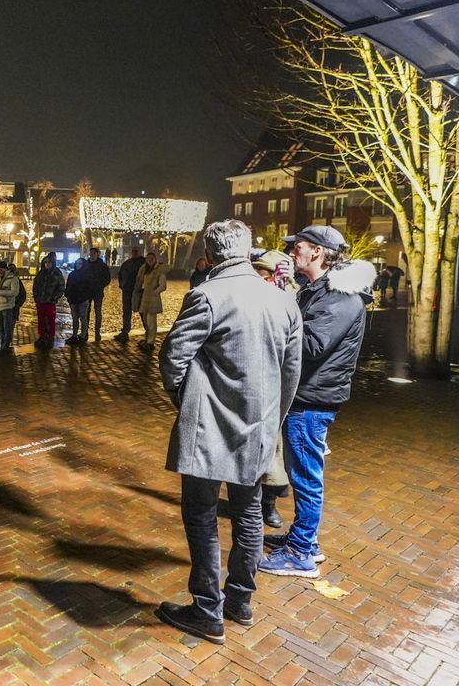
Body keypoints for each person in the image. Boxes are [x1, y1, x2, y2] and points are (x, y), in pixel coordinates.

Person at [155, 219, 303, 645]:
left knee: (200, 516)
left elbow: (173, 359)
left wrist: (187, 403)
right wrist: (272, 417)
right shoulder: (283, 301)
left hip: (208, 428)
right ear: (248, 249)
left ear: (212, 253)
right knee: (249, 513)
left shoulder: (207, 295)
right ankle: (239, 600)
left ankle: (206, 609)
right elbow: (290, 373)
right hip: (259, 427)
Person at [259, 225, 374, 579]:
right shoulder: (320, 290)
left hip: (312, 399)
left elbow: (310, 346)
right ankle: (303, 539)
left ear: (319, 253)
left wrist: (276, 318)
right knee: (303, 473)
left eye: (300, 248)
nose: (293, 252)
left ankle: (300, 553)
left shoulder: (338, 297)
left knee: (306, 476)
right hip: (308, 395)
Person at [251, 247, 299, 528]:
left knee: (273, 453)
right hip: (252, 383)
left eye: (266, 273)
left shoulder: (289, 300)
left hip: (276, 387)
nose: (261, 277)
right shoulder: (251, 296)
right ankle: (251, 500)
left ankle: (267, 504)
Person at [136, 252, 168, 353]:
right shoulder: (145, 270)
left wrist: (154, 292)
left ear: (155, 259)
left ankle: (150, 342)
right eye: (148, 258)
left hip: (152, 299)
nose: (150, 260)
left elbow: (163, 286)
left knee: (151, 322)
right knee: (146, 321)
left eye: (152, 258)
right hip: (144, 298)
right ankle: (147, 339)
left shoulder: (159, 271)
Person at [31, 251, 64, 349]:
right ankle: (42, 336)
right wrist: (36, 297)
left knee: (50, 320)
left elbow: (61, 287)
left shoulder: (57, 273)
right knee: (41, 320)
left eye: (49, 263)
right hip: (41, 301)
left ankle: (50, 337)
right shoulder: (40, 274)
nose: (47, 264)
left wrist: (54, 298)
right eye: (46, 263)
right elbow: (35, 286)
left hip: (50, 302)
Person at [115, 246, 146, 343]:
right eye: (133, 251)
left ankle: (148, 332)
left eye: (136, 251)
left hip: (138, 291)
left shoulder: (144, 263)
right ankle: (125, 331)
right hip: (127, 290)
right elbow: (120, 275)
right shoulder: (126, 263)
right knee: (126, 311)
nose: (134, 252)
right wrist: (122, 285)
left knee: (142, 311)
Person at [64, 258, 96, 346]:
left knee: (83, 318)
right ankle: (74, 335)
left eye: (80, 264)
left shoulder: (87, 275)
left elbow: (90, 287)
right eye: (77, 263)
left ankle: (82, 335)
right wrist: (67, 295)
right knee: (74, 318)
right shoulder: (72, 274)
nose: (78, 265)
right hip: (73, 300)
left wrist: (85, 296)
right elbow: (68, 286)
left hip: (82, 300)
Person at [0, 260, 21, 351]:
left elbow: (15, 292)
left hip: (7, 306)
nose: (0, 270)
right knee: (1, 328)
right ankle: (1, 344)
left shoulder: (13, 278)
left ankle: (5, 346)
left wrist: (0, 292)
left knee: (7, 328)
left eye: (2, 268)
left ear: (5, 269)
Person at [86, 247, 112, 341]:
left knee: (98, 312)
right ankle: (85, 331)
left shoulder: (102, 265)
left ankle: (97, 331)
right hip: (87, 292)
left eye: (93, 253)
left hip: (98, 292)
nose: (92, 255)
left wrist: (100, 285)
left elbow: (107, 278)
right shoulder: (86, 264)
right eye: (91, 253)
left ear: (98, 254)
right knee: (86, 312)